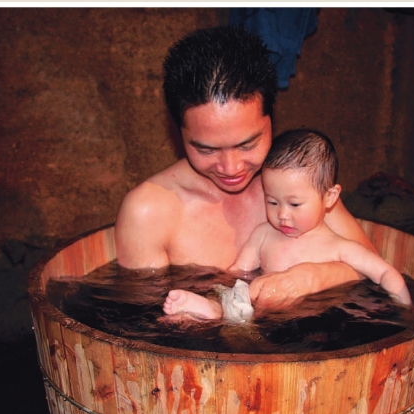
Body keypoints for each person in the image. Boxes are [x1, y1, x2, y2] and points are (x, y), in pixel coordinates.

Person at [114, 26, 375, 310]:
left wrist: (313, 277)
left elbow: (376, 272)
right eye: (207, 149)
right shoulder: (149, 211)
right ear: (179, 133)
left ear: (271, 119)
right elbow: (143, 321)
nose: (231, 167)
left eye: (248, 144)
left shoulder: (297, 182)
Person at [163, 129, 412, 321]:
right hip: (264, 315)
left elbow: (383, 272)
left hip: (318, 322)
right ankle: (213, 308)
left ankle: (219, 312)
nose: (282, 214)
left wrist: (404, 309)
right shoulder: (263, 235)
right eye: (272, 202)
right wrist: (214, 288)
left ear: (329, 197)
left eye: (294, 204)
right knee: (250, 291)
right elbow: (236, 273)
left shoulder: (340, 248)